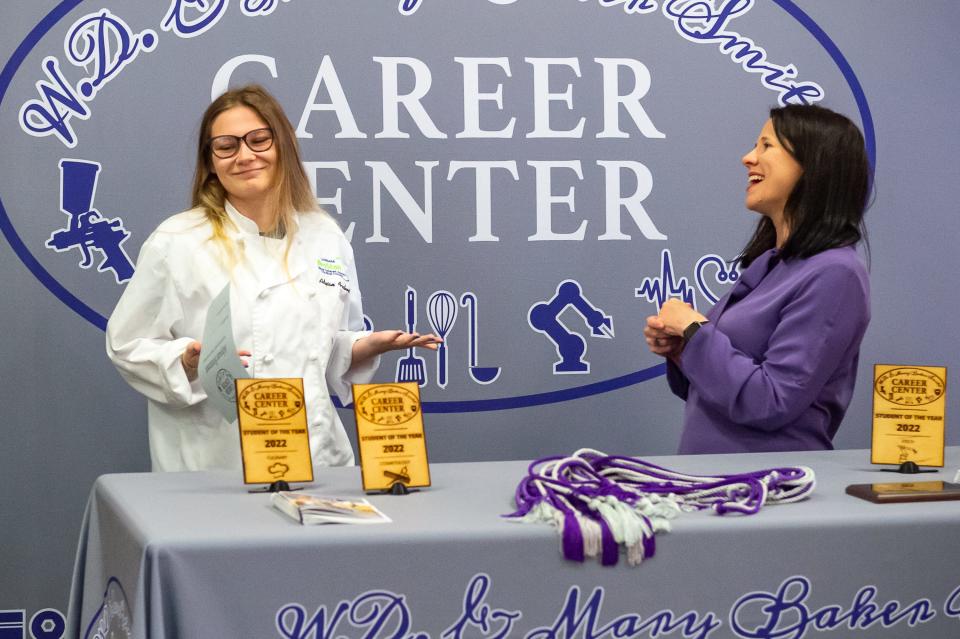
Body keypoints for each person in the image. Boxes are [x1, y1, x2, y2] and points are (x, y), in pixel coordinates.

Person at [106, 85, 440, 472]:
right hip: (217, 462)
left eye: (259, 140)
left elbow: (319, 347)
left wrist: (363, 347)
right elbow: (127, 345)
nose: (245, 155)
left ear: (283, 146)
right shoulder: (177, 241)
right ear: (211, 162)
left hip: (318, 460)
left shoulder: (324, 235)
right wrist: (186, 360)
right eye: (226, 146)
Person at [644, 104, 871, 454]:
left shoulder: (835, 273)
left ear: (813, 164)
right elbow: (717, 390)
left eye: (767, 146)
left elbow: (770, 401)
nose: (748, 158)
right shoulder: (773, 266)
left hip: (768, 490)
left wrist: (694, 331)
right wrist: (681, 350)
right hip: (718, 487)